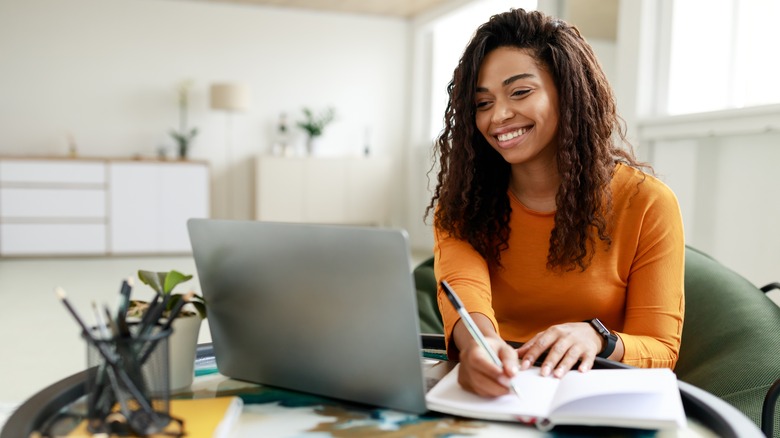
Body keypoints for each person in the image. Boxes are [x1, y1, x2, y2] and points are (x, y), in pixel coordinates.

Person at [425, 8, 685, 398]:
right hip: (497, 391)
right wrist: (478, 344)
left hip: (598, 394)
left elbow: (662, 349)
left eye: (520, 92)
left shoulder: (647, 202)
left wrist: (598, 338)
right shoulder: (463, 202)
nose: (499, 115)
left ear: (569, 91)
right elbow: (465, 290)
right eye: (482, 103)